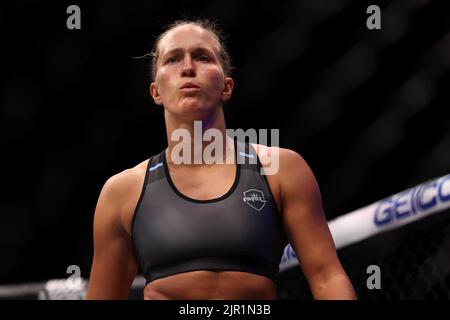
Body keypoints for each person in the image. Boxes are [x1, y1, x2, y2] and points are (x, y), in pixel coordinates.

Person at [84, 19, 357, 300]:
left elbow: (327, 278)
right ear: (156, 92)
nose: (188, 68)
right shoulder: (122, 193)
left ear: (226, 87)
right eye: (173, 59)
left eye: (202, 57)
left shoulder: (280, 169)